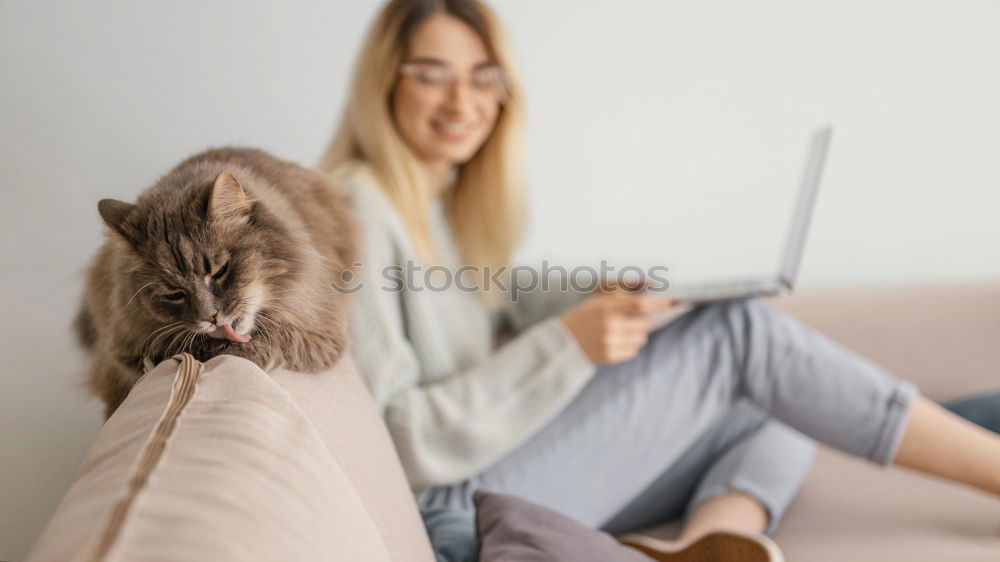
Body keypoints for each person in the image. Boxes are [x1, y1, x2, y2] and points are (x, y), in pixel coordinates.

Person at [318, 1, 1000, 559]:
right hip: (453, 502)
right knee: (742, 337)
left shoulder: (434, 216)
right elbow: (398, 438)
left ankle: (710, 544)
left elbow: (501, 294)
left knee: (780, 394)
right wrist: (571, 344)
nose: (462, 100)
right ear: (385, 83)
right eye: (431, 74)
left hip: (491, 471)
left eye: (483, 76)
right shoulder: (355, 213)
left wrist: (615, 288)